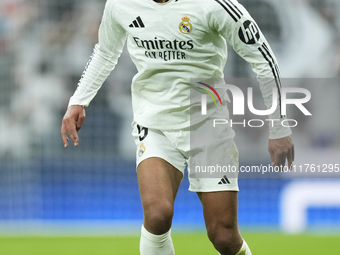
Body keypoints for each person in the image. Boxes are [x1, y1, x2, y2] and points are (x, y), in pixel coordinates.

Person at [61, 0, 294, 254]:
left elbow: (263, 58)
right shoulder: (120, 4)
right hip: (154, 123)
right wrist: (79, 100)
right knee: (158, 214)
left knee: (223, 235)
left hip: (208, 126)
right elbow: (105, 52)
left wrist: (279, 127)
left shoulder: (215, 5)